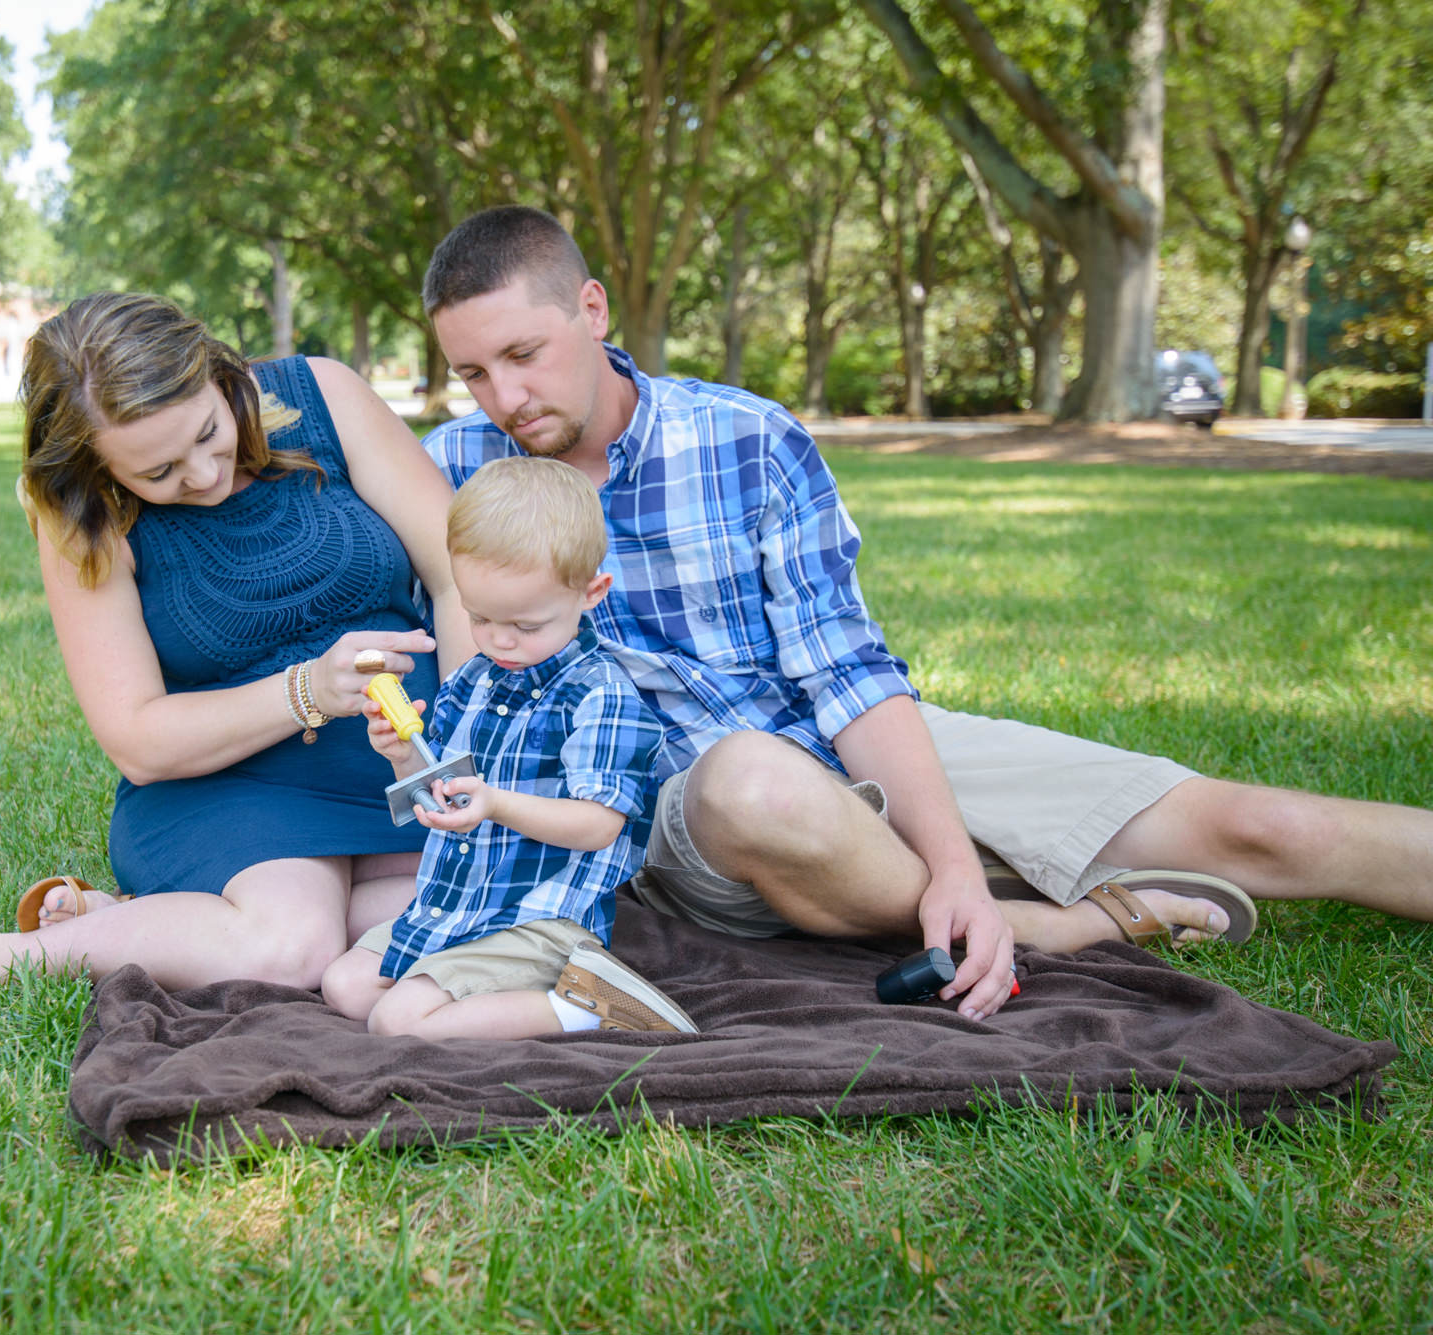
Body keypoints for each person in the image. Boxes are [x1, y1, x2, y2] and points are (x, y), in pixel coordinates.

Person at [418, 205, 1433, 1023]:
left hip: (837, 741)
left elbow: (847, 671)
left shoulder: (744, 438)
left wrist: (944, 853)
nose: (502, 396)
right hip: (696, 812)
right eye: (471, 372)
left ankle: (984, 892)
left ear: (590, 308)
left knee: (1261, 825)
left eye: (522, 352)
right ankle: (1051, 924)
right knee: (753, 785)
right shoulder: (453, 471)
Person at [0, 292, 469, 1002]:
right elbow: (138, 738)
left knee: (501, 900)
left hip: (405, 769)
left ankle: (146, 925)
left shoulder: (323, 396)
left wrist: (465, 733)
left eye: (209, 432)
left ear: (220, 373)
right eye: (159, 473)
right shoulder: (83, 515)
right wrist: (304, 689)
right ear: (97, 468)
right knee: (290, 949)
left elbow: (463, 576)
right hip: (233, 786)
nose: (205, 475)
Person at [320, 456, 694, 1038]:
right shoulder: (475, 679)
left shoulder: (601, 696)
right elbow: (443, 787)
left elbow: (598, 826)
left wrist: (496, 803)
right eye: (480, 617)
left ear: (591, 592)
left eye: (525, 624)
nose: (500, 639)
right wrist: (401, 753)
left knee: (398, 1023)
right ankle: (500, 1000)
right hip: (459, 904)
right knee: (344, 988)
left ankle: (589, 1005)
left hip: (540, 920)